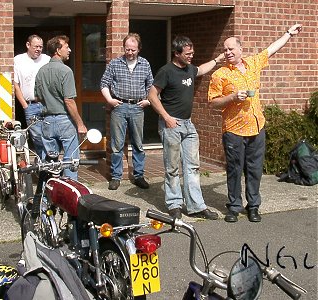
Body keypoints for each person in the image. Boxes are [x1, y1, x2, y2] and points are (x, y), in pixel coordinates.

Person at [208, 24, 302, 223]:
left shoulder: (253, 63)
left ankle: (253, 206)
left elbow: (272, 49)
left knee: (255, 169)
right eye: (225, 50)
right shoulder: (220, 75)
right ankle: (233, 207)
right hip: (234, 129)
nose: (227, 52)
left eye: (231, 49)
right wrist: (233, 97)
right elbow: (213, 102)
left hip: (257, 127)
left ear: (240, 49)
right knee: (234, 169)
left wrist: (288, 34)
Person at [148, 35, 224, 220]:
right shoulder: (166, 71)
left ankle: (196, 206)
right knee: (172, 167)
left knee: (193, 167)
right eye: (188, 53)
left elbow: (202, 69)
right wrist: (166, 117)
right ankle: (174, 204)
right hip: (171, 124)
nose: (191, 56)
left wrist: (217, 59)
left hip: (188, 125)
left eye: (192, 52)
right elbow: (151, 95)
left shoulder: (190, 69)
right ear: (177, 53)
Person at [100, 33, 153, 190]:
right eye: (127, 49)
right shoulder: (115, 63)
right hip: (119, 107)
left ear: (139, 49)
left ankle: (139, 176)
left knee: (138, 143)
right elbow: (104, 83)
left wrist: (149, 101)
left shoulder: (145, 64)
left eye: (133, 50)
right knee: (117, 145)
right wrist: (110, 100)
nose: (130, 52)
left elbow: (152, 86)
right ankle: (116, 177)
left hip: (138, 107)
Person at [34, 35, 87, 180]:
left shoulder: (41, 71)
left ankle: (45, 199)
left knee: (49, 165)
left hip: (47, 121)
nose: (69, 50)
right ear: (57, 50)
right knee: (70, 162)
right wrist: (80, 124)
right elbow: (69, 101)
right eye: (66, 47)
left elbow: (37, 97)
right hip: (64, 120)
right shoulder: (66, 71)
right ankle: (69, 196)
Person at [14, 34, 50, 160]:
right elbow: (16, 85)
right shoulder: (18, 60)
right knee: (37, 137)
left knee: (49, 135)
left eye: (41, 47)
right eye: (36, 46)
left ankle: (46, 163)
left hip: (47, 104)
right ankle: (43, 161)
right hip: (31, 105)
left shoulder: (47, 59)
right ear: (28, 45)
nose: (38, 49)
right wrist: (24, 105)